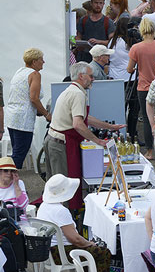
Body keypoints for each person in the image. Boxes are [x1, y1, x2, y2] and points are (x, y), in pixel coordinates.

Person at [45, 63, 120, 209]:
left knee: (55, 186)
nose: (93, 79)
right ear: (81, 76)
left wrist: (110, 126)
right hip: (61, 144)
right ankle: (65, 223)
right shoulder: (77, 94)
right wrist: (98, 140)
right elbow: (78, 124)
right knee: (63, 188)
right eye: (91, 76)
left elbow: (85, 118)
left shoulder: (73, 90)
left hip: (54, 141)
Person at [37, 174, 112, 272]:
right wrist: (89, 243)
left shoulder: (44, 206)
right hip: (62, 253)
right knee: (103, 252)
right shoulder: (60, 211)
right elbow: (75, 239)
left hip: (49, 251)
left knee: (89, 250)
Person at [5, 48, 51, 169]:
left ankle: (9, 183)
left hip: (12, 117)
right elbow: (34, 98)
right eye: (41, 59)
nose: (44, 62)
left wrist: (38, 111)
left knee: (16, 152)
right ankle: (7, 183)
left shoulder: (19, 72)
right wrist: (47, 114)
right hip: (23, 119)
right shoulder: (35, 74)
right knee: (19, 154)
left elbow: (22, 96)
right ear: (34, 61)